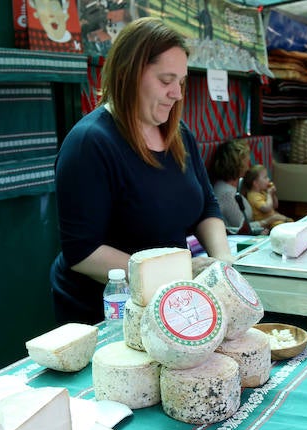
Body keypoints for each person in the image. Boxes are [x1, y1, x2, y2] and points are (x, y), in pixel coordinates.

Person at [49, 17, 232, 324]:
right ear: (129, 74)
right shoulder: (89, 143)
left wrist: (224, 265)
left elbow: (207, 207)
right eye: (165, 80)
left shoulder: (179, 133)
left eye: (182, 82)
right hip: (108, 313)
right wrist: (177, 275)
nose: (177, 93)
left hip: (171, 300)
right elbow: (83, 252)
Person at [208, 139, 261, 235]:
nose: (249, 164)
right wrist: (269, 221)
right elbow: (241, 228)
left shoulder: (231, 187)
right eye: (246, 159)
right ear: (238, 163)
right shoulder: (227, 193)